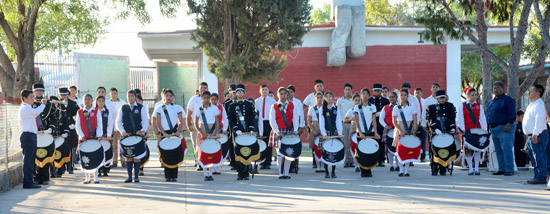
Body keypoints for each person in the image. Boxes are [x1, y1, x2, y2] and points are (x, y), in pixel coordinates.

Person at [116, 90, 149, 183]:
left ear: (135, 97)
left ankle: (137, 177)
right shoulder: (123, 107)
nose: (130, 98)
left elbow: (145, 120)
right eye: (128, 96)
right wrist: (122, 131)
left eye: (132, 96)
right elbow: (118, 122)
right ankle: (129, 177)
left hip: (137, 135)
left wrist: (143, 130)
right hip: (127, 135)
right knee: (129, 156)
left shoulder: (141, 107)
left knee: (137, 157)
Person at [486, 81, 516, 176]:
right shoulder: (491, 102)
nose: (496, 89)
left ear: (503, 89)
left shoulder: (507, 99)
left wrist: (509, 124)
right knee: (498, 150)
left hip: (504, 128)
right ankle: (502, 168)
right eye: (494, 88)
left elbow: (512, 113)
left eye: (498, 88)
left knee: (506, 149)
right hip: (493, 129)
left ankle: (509, 169)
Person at [155, 89, 187, 182]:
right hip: (164, 133)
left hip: (174, 132)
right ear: (163, 97)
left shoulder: (178, 108)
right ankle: (167, 175)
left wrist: (178, 131)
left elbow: (181, 121)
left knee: (174, 154)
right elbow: (158, 122)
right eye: (167, 96)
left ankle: (174, 175)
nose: (169, 97)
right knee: (166, 154)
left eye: (170, 96)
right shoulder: (159, 108)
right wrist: (163, 133)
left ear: (173, 97)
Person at [269, 87, 300, 179]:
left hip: (289, 131)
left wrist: (295, 130)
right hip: (279, 131)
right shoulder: (274, 106)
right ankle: (280, 172)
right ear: (278, 95)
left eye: (284, 94)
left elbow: (295, 118)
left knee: (288, 152)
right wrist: (277, 131)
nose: (283, 95)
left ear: (288, 95)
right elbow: (272, 120)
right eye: (281, 94)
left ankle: (286, 173)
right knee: (280, 153)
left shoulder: (293, 105)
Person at [19, 89, 47, 189]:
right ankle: (27, 182)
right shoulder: (25, 108)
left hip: (31, 135)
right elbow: (36, 112)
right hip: (27, 136)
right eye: (31, 97)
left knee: (31, 159)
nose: (33, 99)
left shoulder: (28, 107)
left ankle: (29, 180)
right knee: (28, 160)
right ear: (24, 98)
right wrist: (43, 104)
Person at [228, 84, 256, 180]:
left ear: (244, 93)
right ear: (235, 93)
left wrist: (251, 129)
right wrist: (236, 129)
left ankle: (246, 173)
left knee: (247, 152)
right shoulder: (232, 105)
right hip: (237, 133)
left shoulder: (249, 104)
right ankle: (240, 173)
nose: (239, 93)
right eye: (238, 92)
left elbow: (252, 118)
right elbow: (230, 119)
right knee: (238, 152)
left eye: (241, 91)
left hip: (247, 132)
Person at [457, 88, 487, 175]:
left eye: (475, 95)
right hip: (467, 130)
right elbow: (461, 118)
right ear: (467, 96)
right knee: (468, 149)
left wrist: (484, 130)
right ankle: (470, 168)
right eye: (472, 95)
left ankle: (477, 168)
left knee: (477, 148)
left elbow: (482, 118)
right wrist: (462, 129)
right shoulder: (462, 106)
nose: (474, 97)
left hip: (478, 129)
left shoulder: (478, 105)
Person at [427, 90, 457, 176]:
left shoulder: (450, 106)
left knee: (446, 149)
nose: (442, 99)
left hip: (446, 131)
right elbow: (430, 120)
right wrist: (435, 129)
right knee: (435, 150)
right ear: (437, 99)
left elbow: (452, 118)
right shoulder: (432, 107)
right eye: (440, 98)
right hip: (436, 132)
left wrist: (452, 127)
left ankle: (443, 167)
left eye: (444, 97)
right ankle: (434, 167)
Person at [523, 84, 548, 185]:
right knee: (534, 158)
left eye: (532, 90)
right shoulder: (532, 104)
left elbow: (540, 119)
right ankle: (537, 175)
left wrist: (535, 133)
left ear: (538, 93)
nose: (529, 92)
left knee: (539, 156)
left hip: (538, 135)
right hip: (531, 135)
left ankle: (541, 177)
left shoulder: (539, 104)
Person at [75, 94, 103, 184]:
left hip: (93, 137)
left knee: (94, 157)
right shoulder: (79, 112)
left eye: (89, 99)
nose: (87, 101)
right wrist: (81, 136)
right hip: (84, 138)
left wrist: (98, 135)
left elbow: (99, 124)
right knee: (85, 157)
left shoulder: (96, 111)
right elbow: (77, 125)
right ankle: (87, 177)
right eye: (85, 99)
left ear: (92, 101)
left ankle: (96, 177)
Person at [32, 83, 56, 185]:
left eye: (41, 91)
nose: (39, 92)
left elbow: (53, 118)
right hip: (35, 133)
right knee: (35, 157)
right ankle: (36, 178)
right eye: (37, 91)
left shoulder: (48, 104)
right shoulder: (30, 103)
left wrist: (51, 128)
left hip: (45, 134)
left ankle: (45, 177)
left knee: (46, 157)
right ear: (33, 92)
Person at [194, 91, 221, 181]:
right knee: (204, 152)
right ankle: (205, 173)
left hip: (212, 129)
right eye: (204, 98)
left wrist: (217, 132)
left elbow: (217, 121)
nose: (206, 99)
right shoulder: (199, 109)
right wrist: (201, 132)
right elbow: (196, 123)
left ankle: (211, 173)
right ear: (201, 98)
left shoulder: (214, 108)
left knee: (212, 151)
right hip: (203, 129)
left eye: (207, 98)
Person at [354, 88, 380, 177]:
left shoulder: (372, 107)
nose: (365, 96)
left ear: (369, 96)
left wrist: (376, 132)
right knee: (361, 153)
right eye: (363, 94)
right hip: (361, 132)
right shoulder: (357, 107)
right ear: (360, 96)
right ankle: (362, 170)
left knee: (370, 152)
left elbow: (374, 120)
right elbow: (357, 121)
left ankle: (369, 170)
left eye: (366, 94)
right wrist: (360, 132)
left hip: (370, 131)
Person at [392, 89, 418, 177]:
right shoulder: (396, 107)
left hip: (409, 128)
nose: (403, 97)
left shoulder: (412, 106)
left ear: (407, 97)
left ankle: (406, 171)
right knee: (399, 150)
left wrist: (414, 129)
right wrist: (400, 130)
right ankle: (400, 170)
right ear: (399, 97)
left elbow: (415, 118)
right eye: (401, 95)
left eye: (405, 95)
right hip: (399, 128)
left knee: (408, 150)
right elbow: (394, 122)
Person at [318, 92, 343, 178]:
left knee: (334, 151)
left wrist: (339, 133)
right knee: (326, 152)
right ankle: (326, 171)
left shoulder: (336, 108)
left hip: (334, 132)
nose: (328, 98)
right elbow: (321, 122)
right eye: (327, 97)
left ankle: (333, 171)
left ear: (333, 98)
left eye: (330, 96)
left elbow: (338, 121)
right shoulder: (322, 108)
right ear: (325, 98)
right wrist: (324, 133)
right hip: (326, 132)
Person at [187, 82, 209, 171]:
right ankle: (199, 163)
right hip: (196, 126)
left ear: (207, 89)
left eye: (205, 87)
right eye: (201, 88)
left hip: (209, 127)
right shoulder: (194, 99)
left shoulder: (211, 99)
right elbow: (189, 112)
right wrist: (188, 124)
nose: (203, 89)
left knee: (207, 145)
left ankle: (207, 163)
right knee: (197, 145)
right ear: (199, 89)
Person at [303, 80, 324, 168]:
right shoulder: (310, 96)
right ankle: (315, 161)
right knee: (313, 142)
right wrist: (305, 120)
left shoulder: (325, 96)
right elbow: (303, 106)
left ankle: (323, 161)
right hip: (312, 123)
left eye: (321, 86)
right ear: (314, 87)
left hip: (323, 123)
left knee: (323, 143)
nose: (319, 87)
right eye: (317, 86)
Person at [255, 85, 276, 169]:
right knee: (260, 141)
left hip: (268, 122)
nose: (264, 91)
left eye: (266, 90)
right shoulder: (257, 101)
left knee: (268, 142)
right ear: (260, 91)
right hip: (260, 122)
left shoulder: (272, 101)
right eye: (263, 90)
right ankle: (261, 160)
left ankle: (268, 162)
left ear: (268, 91)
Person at [49, 95, 70, 178]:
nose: (54, 105)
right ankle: (52, 170)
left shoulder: (62, 112)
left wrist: (65, 132)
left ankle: (60, 169)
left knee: (63, 151)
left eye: (56, 103)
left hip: (60, 137)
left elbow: (66, 124)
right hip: (50, 137)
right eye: (52, 103)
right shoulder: (47, 112)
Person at [369, 83, 390, 167]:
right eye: (375, 91)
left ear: (381, 91)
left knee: (381, 142)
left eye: (378, 91)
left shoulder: (385, 100)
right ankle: (374, 160)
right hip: (372, 123)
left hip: (382, 123)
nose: (377, 92)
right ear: (373, 91)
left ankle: (381, 160)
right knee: (373, 141)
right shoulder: (370, 100)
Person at [287, 85, 305, 173]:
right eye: (288, 91)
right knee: (287, 144)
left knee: (295, 145)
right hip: (286, 126)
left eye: (291, 92)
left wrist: (301, 126)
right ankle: (288, 166)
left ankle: (295, 164)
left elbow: (301, 115)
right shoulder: (283, 102)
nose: (290, 93)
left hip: (296, 126)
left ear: (294, 93)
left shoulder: (298, 102)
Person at [379, 91, 398, 172]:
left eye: (393, 97)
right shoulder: (385, 107)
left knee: (397, 148)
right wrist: (386, 126)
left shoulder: (399, 107)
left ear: (396, 98)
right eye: (390, 97)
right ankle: (391, 165)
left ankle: (397, 165)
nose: (391, 98)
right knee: (389, 148)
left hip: (397, 130)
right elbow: (381, 119)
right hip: (388, 130)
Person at [95, 96, 114, 177]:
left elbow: (110, 124)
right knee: (98, 153)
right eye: (99, 101)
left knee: (107, 152)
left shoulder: (107, 111)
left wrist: (109, 135)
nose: (101, 102)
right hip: (97, 136)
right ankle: (99, 169)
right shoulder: (94, 111)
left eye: (103, 101)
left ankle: (106, 170)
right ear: (96, 102)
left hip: (106, 135)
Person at [337, 83, 355, 168]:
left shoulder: (354, 100)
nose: (348, 91)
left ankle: (351, 160)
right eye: (346, 89)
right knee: (345, 142)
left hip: (353, 123)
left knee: (351, 142)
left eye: (349, 89)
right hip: (343, 124)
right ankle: (346, 160)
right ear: (344, 91)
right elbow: (337, 113)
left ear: (352, 91)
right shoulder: (340, 101)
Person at [211, 93, 229, 174]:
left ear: (218, 100)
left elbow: (225, 119)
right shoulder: (208, 108)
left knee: (220, 149)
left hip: (220, 130)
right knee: (213, 149)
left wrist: (224, 129)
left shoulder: (221, 107)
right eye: (212, 99)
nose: (214, 101)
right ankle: (212, 167)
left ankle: (217, 167)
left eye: (215, 99)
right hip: (211, 131)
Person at [307, 92, 325, 173]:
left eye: (321, 97)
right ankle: (318, 166)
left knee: (324, 148)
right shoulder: (312, 109)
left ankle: (324, 166)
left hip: (323, 129)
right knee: (316, 148)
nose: (319, 99)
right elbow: (309, 121)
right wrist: (313, 130)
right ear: (315, 99)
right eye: (318, 98)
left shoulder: (325, 108)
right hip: (315, 128)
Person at [344, 93, 361, 172]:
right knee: (353, 147)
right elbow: (345, 120)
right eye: (356, 100)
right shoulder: (351, 111)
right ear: (353, 101)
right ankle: (356, 164)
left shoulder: (363, 110)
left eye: (359, 100)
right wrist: (351, 119)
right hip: (353, 130)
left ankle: (361, 163)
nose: (357, 102)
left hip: (362, 131)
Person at [109, 87, 126, 168]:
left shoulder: (122, 102)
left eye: (115, 93)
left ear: (117, 94)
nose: (114, 95)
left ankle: (123, 161)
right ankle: (114, 161)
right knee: (114, 145)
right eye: (112, 94)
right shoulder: (108, 103)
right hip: (113, 127)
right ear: (110, 94)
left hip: (121, 126)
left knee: (122, 144)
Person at [414, 88, 429, 162]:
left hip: (423, 124)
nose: (417, 95)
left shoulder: (424, 102)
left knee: (423, 141)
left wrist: (425, 123)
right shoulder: (412, 102)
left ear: (421, 93)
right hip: (415, 124)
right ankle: (415, 156)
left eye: (418, 93)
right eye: (415, 93)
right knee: (415, 141)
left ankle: (422, 157)